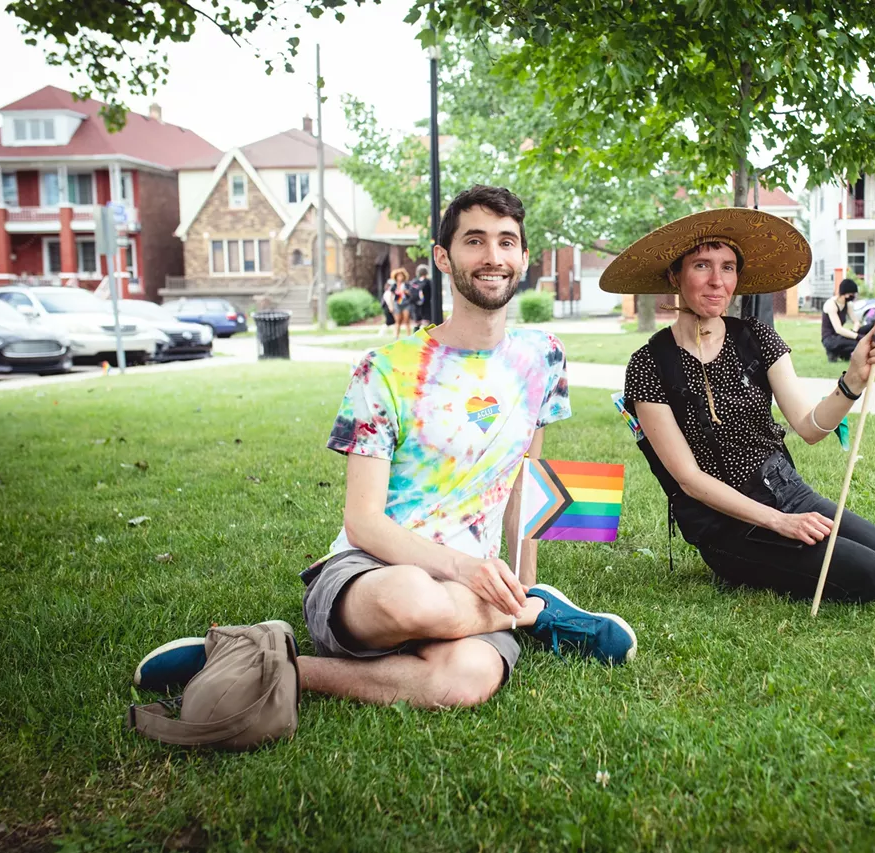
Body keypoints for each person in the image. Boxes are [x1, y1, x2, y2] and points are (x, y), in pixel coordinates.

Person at [135, 186, 636, 709]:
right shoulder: (385, 370)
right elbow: (364, 523)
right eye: (475, 241)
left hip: (474, 595)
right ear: (443, 257)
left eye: (507, 242)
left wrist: (520, 580)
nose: (493, 257)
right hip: (374, 572)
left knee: (464, 683)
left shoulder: (544, 356)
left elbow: (525, 482)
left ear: (524, 258)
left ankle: (259, 659)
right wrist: (495, 589)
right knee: (414, 598)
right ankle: (535, 615)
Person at [602, 208, 875, 605]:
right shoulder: (649, 363)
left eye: (727, 267)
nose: (716, 280)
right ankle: (744, 563)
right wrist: (780, 524)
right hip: (727, 524)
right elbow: (689, 479)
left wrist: (854, 380)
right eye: (702, 265)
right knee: (868, 573)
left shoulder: (758, 338)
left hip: (788, 492)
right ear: (675, 275)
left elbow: (810, 428)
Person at [821, 278, 870, 362]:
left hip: (841, 337)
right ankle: (833, 352)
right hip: (830, 339)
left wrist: (854, 331)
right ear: (844, 293)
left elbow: (856, 322)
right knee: (859, 344)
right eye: (852, 294)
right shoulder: (831, 304)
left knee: (869, 328)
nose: (853, 296)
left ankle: (843, 354)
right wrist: (857, 337)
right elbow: (838, 329)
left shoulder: (848, 305)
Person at [389, 268, 413, 339]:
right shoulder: (394, 286)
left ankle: (409, 336)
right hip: (397, 303)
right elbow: (391, 296)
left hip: (406, 303)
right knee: (398, 321)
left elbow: (411, 293)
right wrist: (391, 306)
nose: (400, 277)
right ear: (396, 277)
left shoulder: (407, 284)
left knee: (406, 320)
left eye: (401, 276)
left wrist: (405, 291)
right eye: (398, 276)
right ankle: (396, 336)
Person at [413, 264, 433, 331]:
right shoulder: (429, 282)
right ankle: (426, 337)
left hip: (416, 305)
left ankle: (414, 338)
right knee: (426, 322)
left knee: (417, 323)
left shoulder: (415, 282)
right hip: (427, 304)